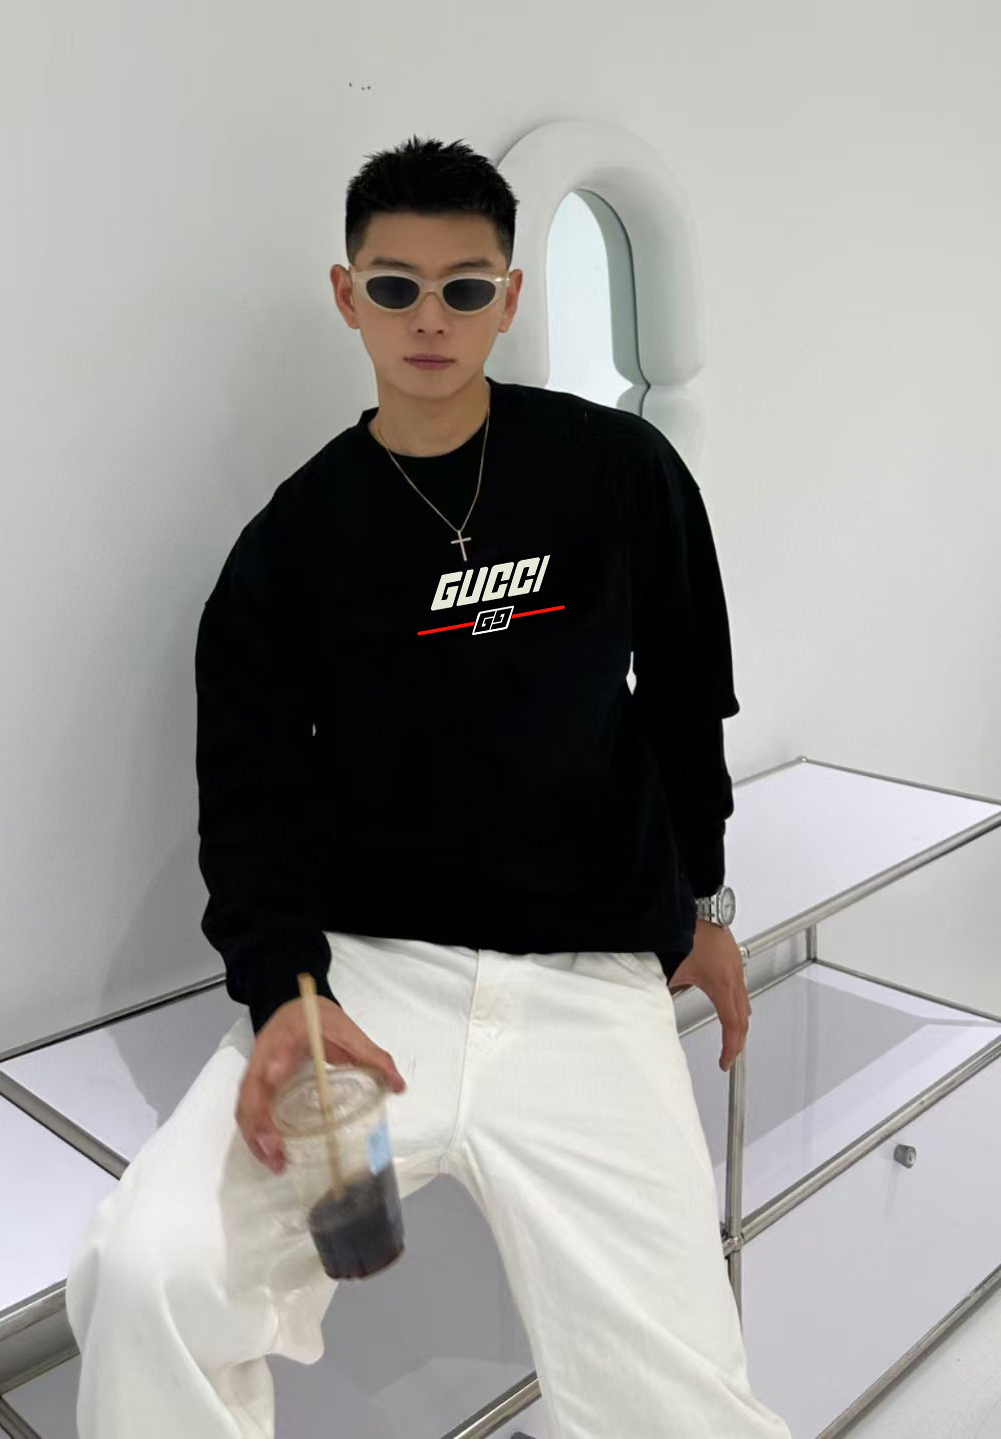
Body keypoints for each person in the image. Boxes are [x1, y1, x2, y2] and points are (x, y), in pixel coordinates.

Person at [64, 134, 791, 1438]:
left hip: (588, 986)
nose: (430, 319)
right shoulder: (293, 544)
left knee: (683, 1405)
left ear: (509, 298)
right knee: (151, 1273)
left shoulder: (619, 475)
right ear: (349, 297)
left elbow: (687, 701)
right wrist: (285, 990)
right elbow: (251, 796)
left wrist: (705, 904)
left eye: (464, 288)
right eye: (396, 287)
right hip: (367, 988)